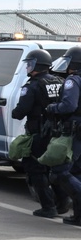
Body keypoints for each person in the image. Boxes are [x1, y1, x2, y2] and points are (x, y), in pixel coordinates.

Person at [9, 49, 66, 216]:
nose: (27, 67)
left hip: (39, 132)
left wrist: (14, 112)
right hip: (58, 132)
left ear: (36, 64)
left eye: (29, 63)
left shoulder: (32, 85)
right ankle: (62, 203)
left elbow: (21, 111)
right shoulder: (60, 81)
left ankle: (48, 207)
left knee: (35, 168)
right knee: (55, 167)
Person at [46, 46, 81, 226]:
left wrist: (52, 108)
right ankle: (78, 216)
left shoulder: (73, 80)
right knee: (77, 171)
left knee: (60, 171)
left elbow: (69, 105)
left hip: (74, 132)